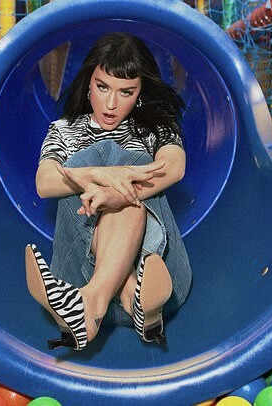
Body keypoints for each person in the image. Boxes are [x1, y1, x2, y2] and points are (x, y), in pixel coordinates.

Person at [25, 32, 192, 351]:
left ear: (140, 93)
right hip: (82, 274)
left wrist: (117, 193)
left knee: (125, 173)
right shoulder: (64, 130)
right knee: (87, 164)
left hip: (159, 280)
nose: (111, 103)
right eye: (103, 87)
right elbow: (44, 183)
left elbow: (174, 167)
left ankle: (92, 304)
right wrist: (99, 175)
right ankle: (128, 295)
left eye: (126, 92)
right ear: (88, 83)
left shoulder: (156, 127)